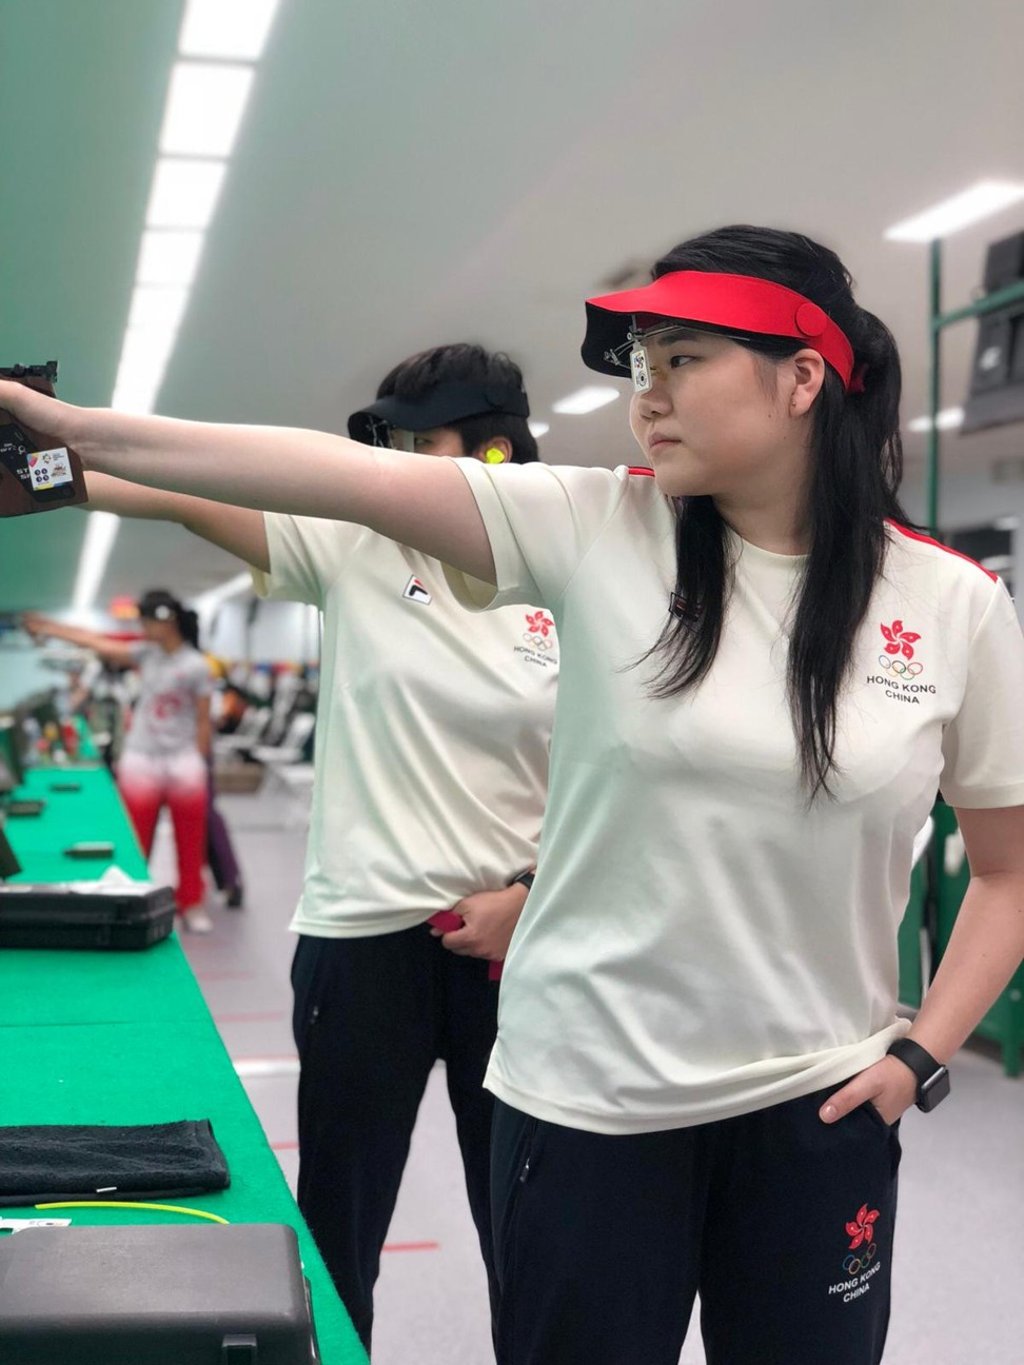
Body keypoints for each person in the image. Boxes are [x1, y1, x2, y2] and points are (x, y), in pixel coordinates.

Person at [6, 225, 1024, 1365]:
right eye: (641, 367)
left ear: (801, 377)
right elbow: (335, 475)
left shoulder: (951, 604)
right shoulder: (594, 524)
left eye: (682, 359)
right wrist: (70, 434)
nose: (650, 398)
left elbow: (1006, 868)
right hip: (588, 1104)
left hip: (818, 1113)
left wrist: (921, 1057)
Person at [25, 343, 557, 1354]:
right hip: (362, 941)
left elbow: (614, 771)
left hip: (519, 946)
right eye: (390, 441)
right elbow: (184, 490)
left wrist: (532, 891)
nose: (398, 461)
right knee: (339, 1227)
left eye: (424, 440)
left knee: (528, 1229)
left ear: (496, 450)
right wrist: (57, 457)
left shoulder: (568, 570)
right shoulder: (356, 545)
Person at [24, 591, 216, 933]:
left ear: (167, 620)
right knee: (135, 835)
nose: (140, 626)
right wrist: (49, 626)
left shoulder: (197, 665)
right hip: (142, 757)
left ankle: (192, 902)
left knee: (190, 838)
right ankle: (131, 895)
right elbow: (96, 642)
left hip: (182, 759)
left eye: (145, 619)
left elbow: (203, 720)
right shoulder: (146, 653)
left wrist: (199, 762)